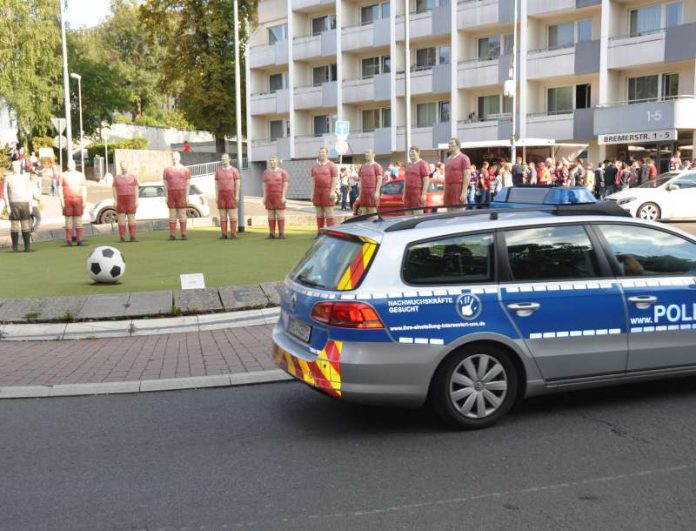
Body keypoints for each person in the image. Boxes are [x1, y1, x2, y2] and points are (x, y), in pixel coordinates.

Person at [4, 160, 36, 252]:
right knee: (14, 226)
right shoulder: (8, 178)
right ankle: (15, 247)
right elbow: (5, 193)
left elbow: (29, 191)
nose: (16, 168)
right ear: (12, 167)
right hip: (13, 204)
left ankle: (27, 247)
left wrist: (30, 205)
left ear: (20, 167)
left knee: (25, 225)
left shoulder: (25, 178)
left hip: (24, 203)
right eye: (14, 166)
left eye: (17, 166)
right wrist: (7, 206)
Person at [162, 151, 191, 240]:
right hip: (171, 194)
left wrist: (187, 196)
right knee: (172, 215)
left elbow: (188, 184)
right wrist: (166, 196)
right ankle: (172, 235)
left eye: (176, 156)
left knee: (182, 214)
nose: (174, 158)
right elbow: (165, 184)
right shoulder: (167, 170)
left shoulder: (185, 169)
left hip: (181, 193)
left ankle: (183, 234)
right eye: (173, 157)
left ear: (179, 157)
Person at [59, 159, 87, 246]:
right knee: (68, 221)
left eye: (72, 164)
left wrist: (84, 200)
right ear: (67, 165)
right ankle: (69, 240)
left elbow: (84, 188)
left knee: (78, 220)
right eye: (69, 164)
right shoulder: (63, 175)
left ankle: (79, 239)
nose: (70, 165)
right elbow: (59, 188)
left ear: (75, 165)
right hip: (67, 199)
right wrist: (61, 200)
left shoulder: (80, 175)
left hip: (78, 199)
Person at [310, 147, 338, 235]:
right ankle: (320, 232)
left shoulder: (332, 165)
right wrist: (312, 192)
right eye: (320, 152)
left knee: (329, 210)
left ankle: (331, 233)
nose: (321, 154)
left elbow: (335, 179)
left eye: (323, 152)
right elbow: (313, 180)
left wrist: (332, 191)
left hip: (327, 190)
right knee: (319, 211)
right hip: (317, 191)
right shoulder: (314, 167)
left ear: (326, 153)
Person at [215, 153, 241, 240]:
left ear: (229, 159)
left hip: (231, 195)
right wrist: (217, 195)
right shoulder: (218, 171)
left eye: (226, 158)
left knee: (232, 215)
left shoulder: (234, 170)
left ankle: (233, 233)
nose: (224, 160)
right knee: (222, 216)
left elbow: (237, 183)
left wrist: (237, 194)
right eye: (222, 158)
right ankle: (224, 234)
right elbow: (216, 184)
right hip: (221, 195)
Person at [262, 155, 288, 239]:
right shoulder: (266, 172)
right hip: (269, 196)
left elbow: (285, 184)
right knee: (270, 215)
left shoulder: (282, 172)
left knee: (280, 214)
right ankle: (272, 233)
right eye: (270, 160)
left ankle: (281, 233)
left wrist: (283, 196)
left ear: (277, 161)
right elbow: (264, 185)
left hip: (279, 196)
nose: (272, 162)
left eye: (273, 160)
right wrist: (264, 197)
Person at [113, 161, 140, 242]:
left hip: (131, 199)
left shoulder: (133, 177)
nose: (123, 167)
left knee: (131, 217)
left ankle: (132, 237)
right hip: (121, 199)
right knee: (121, 217)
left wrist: (136, 200)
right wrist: (115, 200)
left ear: (128, 166)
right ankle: (122, 237)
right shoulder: (117, 178)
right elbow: (114, 189)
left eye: (125, 166)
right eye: (122, 166)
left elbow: (136, 188)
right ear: (120, 167)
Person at [443, 137, 471, 211]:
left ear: (458, 145)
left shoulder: (464, 158)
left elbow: (467, 175)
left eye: (451, 143)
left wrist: (464, 192)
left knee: (458, 213)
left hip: (458, 188)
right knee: (449, 213)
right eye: (449, 143)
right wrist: (445, 192)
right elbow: (446, 177)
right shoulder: (448, 159)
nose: (449, 145)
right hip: (449, 189)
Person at [403, 146, 430, 213]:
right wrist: (404, 194)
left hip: (417, 194)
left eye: (412, 152)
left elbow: (426, 180)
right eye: (410, 152)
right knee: (408, 217)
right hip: (408, 195)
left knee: (417, 215)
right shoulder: (408, 165)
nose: (410, 153)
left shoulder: (422, 163)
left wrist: (423, 194)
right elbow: (406, 180)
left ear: (418, 153)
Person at [357, 148, 383, 215]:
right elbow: (360, 182)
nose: (366, 154)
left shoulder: (377, 166)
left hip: (372, 192)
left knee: (372, 212)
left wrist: (377, 192)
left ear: (373, 154)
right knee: (363, 212)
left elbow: (379, 179)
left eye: (368, 152)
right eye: (366, 152)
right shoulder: (362, 167)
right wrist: (359, 195)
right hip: (363, 192)